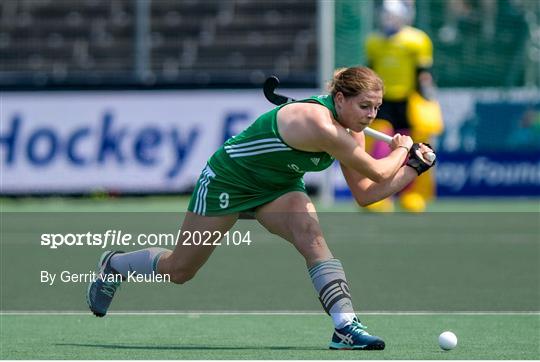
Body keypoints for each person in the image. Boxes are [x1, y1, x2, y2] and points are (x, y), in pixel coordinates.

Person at [86, 66, 436, 350]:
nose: (371, 116)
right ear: (340, 98)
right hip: (229, 181)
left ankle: (344, 326)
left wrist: (411, 170)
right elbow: (377, 170)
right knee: (180, 270)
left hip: (278, 188)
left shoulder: (351, 133)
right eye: (364, 107)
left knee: (311, 235)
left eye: (376, 108)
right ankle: (114, 264)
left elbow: (366, 194)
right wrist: (404, 152)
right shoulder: (318, 123)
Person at [364, 0, 443, 212]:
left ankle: (413, 194)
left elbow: (424, 72)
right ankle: (378, 194)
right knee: (379, 143)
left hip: (410, 100)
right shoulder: (374, 41)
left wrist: (428, 97)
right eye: (386, 16)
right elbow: (370, 71)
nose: (389, 20)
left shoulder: (417, 40)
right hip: (382, 101)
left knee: (413, 145)